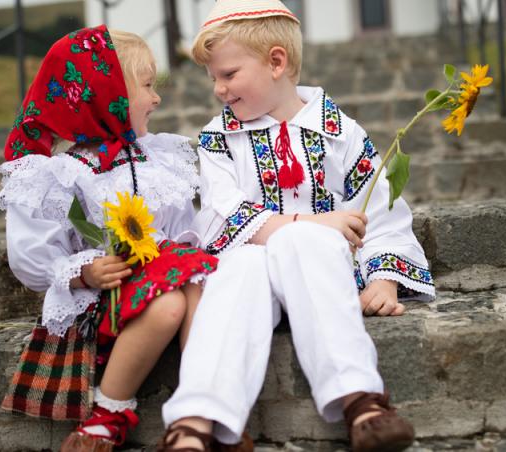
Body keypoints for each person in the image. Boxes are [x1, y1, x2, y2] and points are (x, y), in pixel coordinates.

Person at [158, 1, 436, 451]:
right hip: (247, 269)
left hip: (319, 271)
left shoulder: (341, 132)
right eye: (213, 78)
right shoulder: (218, 140)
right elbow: (222, 213)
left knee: (305, 241)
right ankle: (195, 421)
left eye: (228, 74)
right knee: (244, 266)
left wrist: (383, 277)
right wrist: (311, 221)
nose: (218, 89)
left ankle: (361, 400)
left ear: (276, 62)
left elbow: (381, 209)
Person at [0, 25, 218, 451]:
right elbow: (28, 257)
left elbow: (183, 234)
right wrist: (84, 272)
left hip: (162, 286)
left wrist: (171, 258)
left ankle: (203, 401)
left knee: (193, 283)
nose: (156, 98)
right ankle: (109, 410)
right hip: (103, 300)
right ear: (104, 93)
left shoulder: (157, 159)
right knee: (173, 299)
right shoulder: (59, 173)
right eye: (147, 86)